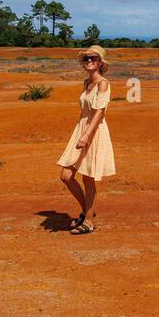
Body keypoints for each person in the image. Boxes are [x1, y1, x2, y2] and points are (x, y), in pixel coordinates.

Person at [57, 45, 114, 233]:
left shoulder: (103, 84)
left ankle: (89, 222)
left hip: (94, 131)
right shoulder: (86, 82)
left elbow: (99, 112)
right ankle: (87, 211)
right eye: (86, 59)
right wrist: (80, 132)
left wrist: (87, 134)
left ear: (100, 63)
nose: (89, 61)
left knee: (88, 178)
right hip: (81, 129)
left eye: (93, 58)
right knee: (66, 176)